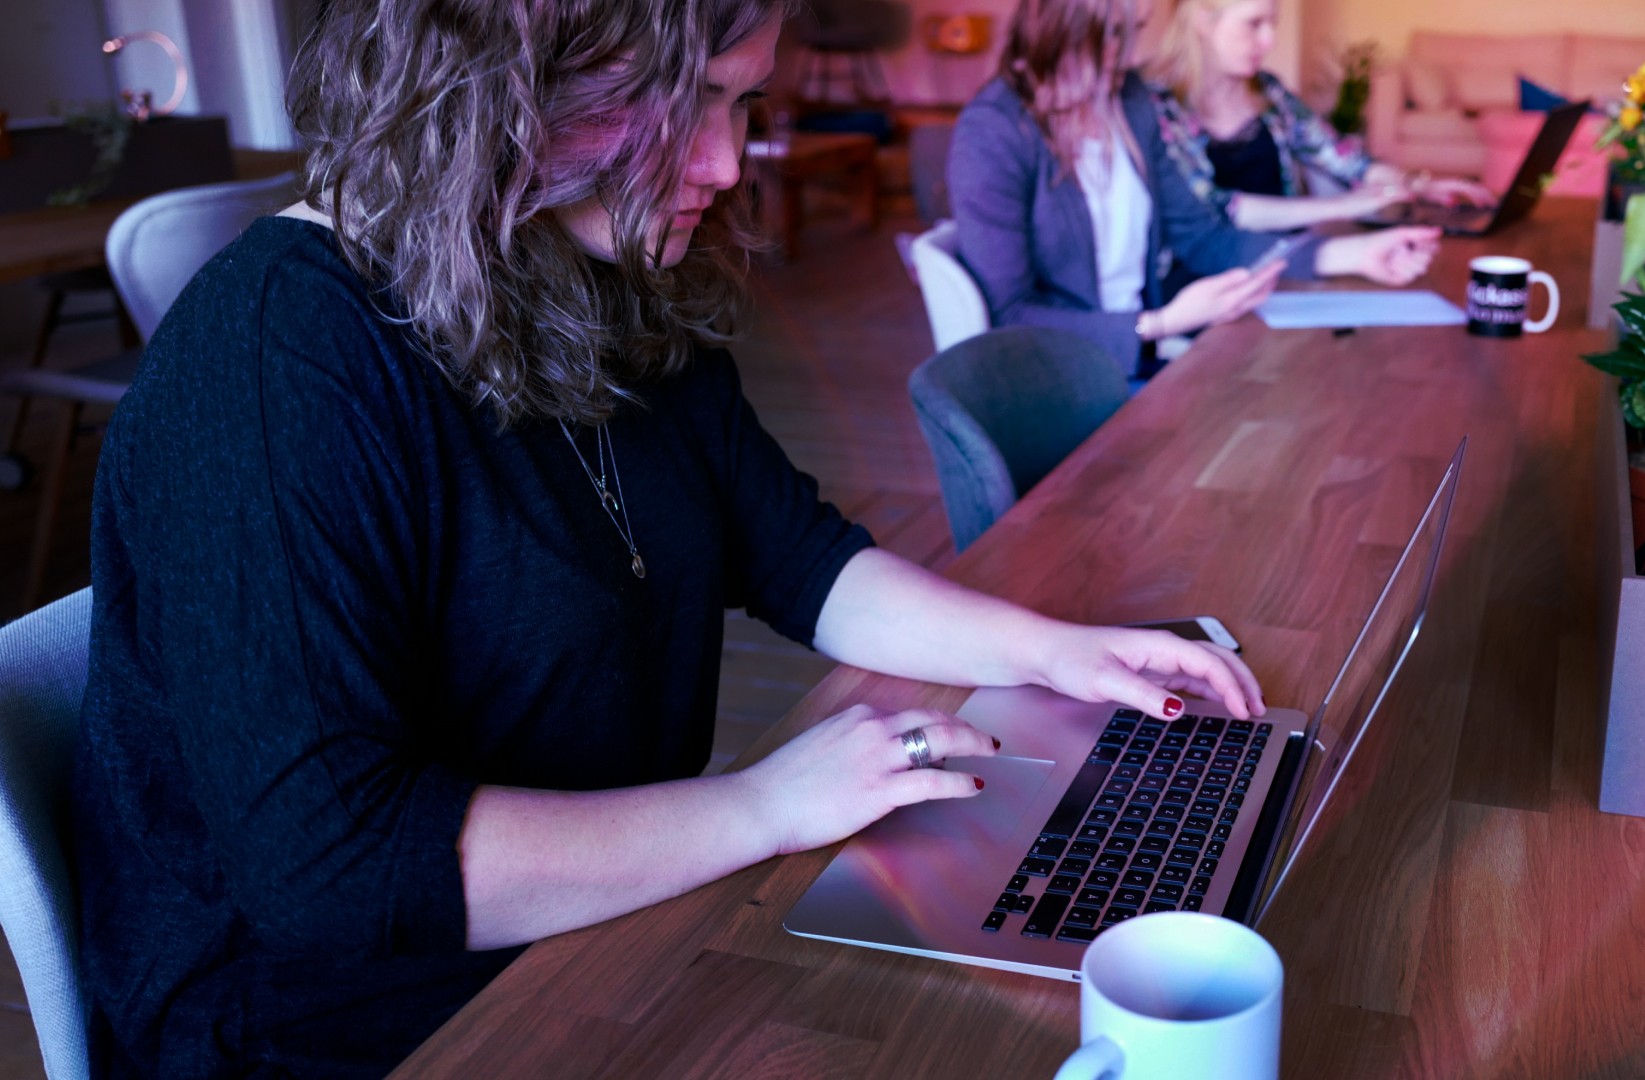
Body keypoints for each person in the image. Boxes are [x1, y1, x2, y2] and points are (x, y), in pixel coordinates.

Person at [68, 0, 1269, 1074]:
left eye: (744, 103)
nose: (729, 160)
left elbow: (796, 557)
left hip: (591, 937)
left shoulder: (589, 271)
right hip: (336, 1029)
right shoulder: (276, 356)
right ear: (515, 68)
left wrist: (1056, 653)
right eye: (690, 103)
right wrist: (759, 809)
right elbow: (333, 874)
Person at [948, 0, 1442, 377]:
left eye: (1137, 30)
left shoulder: (1128, 100)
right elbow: (1008, 315)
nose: (1134, 53)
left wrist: (1354, 253)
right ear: (1064, 24)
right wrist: (1160, 323)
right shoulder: (993, 133)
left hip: (1143, 360)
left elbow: (1204, 236)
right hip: (1069, 379)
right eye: (1117, 33)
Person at [1143, 0, 1492, 232]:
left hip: (1289, 261)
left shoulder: (1269, 92)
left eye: (1273, 24)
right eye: (1254, 24)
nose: (1269, 40)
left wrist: (1418, 185)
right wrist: (1340, 206)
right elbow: (1212, 208)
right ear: (1203, 20)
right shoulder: (1156, 105)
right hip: (1207, 285)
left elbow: (1346, 160)